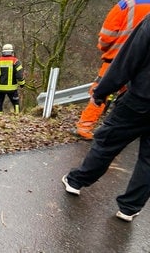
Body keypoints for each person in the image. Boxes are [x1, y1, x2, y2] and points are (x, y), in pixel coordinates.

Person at [62, 13, 150, 222]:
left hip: (140, 98)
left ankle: (76, 182)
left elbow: (127, 61)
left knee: (107, 142)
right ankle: (129, 208)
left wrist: (102, 91)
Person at [75, 0, 150, 140]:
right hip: (145, 67)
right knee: (130, 98)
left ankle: (85, 127)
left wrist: (105, 48)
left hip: (116, 60)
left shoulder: (128, 3)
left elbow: (107, 35)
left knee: (100, 91)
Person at [0, 44, 25, 114]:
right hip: (12, 88)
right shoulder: (15, 61)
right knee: (16, 102)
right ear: (12, 52)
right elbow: (20, 75)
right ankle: (17, 116)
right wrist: (22, 84)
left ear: (2, 52)